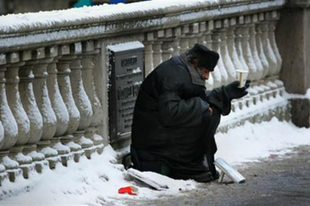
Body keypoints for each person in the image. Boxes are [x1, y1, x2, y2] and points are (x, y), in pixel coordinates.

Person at [130, 43, 250, 182]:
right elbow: (171, 112)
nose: (207, 77)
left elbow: (195, 99)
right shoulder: (173, 74)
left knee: (213, 109)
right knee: (206, 113)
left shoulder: (187, 71)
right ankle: (186, 166)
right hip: (153, 139)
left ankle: (196, 162)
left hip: (163, 130)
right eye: (205, 71)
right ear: (195, 63)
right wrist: (201, 107)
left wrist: (225, 93)